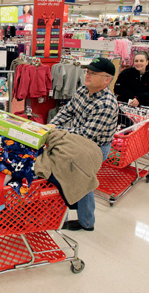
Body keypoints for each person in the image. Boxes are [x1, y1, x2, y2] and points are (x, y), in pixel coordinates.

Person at [47, 58, 119, 231]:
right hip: (74, 139)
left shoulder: (107, 104)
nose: (87, 75)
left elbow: (87, 134)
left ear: (106, 79)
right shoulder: (83, 90)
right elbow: (68, 110)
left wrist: (56, 132)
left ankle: (86, 222)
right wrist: (52, 125)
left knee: (84, 180)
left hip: (95, 148)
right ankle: (64, 205)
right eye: (88, 72)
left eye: (93, 73)